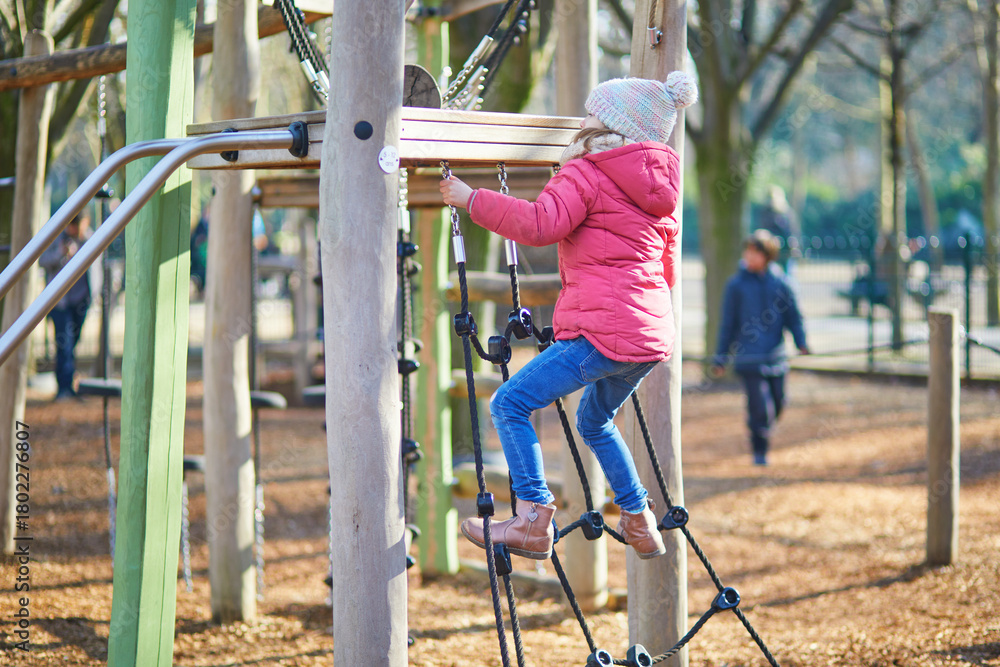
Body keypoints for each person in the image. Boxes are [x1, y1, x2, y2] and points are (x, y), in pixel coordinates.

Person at [440, 71, 698, 560]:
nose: (582, 118)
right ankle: (640, 521)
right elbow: (666, 267)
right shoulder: (661, 185)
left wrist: (472, 199)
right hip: (650, 335)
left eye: (591, 111)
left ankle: (533, 518)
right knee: (595, 421)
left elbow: (540, 224)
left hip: (603, 334)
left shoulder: (587, 171)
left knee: (509, 402)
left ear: (608, 124)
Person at [710, 230, 809, 466]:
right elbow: (728, 323)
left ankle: (760, 432)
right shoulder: (736, 285)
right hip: (749, 358)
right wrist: (721, 357)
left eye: (754, 252)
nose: (748, 256)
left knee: (779, 403)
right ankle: (760, 450)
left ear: (767, 255)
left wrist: (801, 342)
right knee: (760, 407)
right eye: (747, 251)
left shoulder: (782, 283)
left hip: (776, 356)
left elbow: (793, 316)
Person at [40, 212, 93, 401]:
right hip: (60, 303)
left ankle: (69, 384)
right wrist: (60, 254)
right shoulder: (57, 239)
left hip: (80, 301)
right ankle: (63, 388)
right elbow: (42, 261)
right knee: (65, 344)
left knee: (73, 343)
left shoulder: (89, 239)